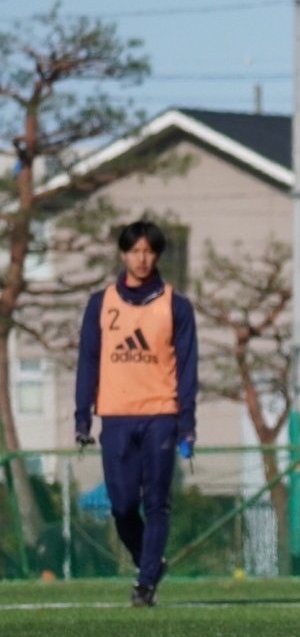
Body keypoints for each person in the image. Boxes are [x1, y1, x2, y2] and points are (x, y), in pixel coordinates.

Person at [74, 220, 198, 608]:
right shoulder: (101, 303)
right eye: (135, 251)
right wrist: (82, 416)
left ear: (157, 255)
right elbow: (88, 361)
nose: (142, 259)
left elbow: (188, 368)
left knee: (157, 502)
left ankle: (145, 584)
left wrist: (187, 423)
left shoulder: (175, 305)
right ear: (123, 254)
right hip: (116, 414)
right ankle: (151, 561)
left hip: (161, 413)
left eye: (149, 251)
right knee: (122, 505)